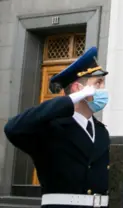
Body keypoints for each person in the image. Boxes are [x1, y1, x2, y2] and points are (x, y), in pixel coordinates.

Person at [4, 47, 110, 207]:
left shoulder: (100, 131)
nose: (103, 89)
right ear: (78, 89)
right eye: (98, 83)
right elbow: (12, 128)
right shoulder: (51, 128)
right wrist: (70, 100)